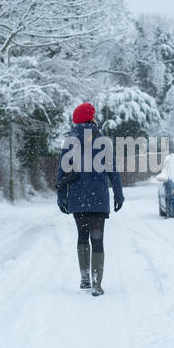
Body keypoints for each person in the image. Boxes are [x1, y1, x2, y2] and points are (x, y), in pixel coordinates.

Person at [56, 103, 124, 297]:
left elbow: (61, 173)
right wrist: (119, 195)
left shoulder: (70, 141)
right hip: (99, 198)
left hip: (77, 198)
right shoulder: (102, 140)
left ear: (76, 120)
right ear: (92, 118)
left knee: (82, 236)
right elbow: (113, 171)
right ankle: (96, 284)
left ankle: (84, 278)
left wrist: (61, 197)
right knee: (98, 239)